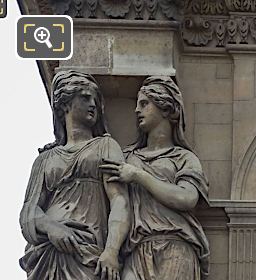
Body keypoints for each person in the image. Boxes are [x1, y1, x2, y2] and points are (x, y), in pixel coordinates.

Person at [19, 70, 130, 280]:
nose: (93, 104)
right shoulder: (45, 159)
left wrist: (111, 251)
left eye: (95, 99)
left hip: (87, 250)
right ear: (64, 105)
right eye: (85, 97)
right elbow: (29, 211)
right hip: (48, 252)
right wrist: (51, 228)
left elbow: (119, 200)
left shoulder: (104, 146)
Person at [100, 76, 210, 280]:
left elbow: (187, 198)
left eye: (144, 104)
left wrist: (138, 176)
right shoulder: (127, 158)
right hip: (136, 250)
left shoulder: (183, 157)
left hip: (175, 247)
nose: (136, 110)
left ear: (166, 108)